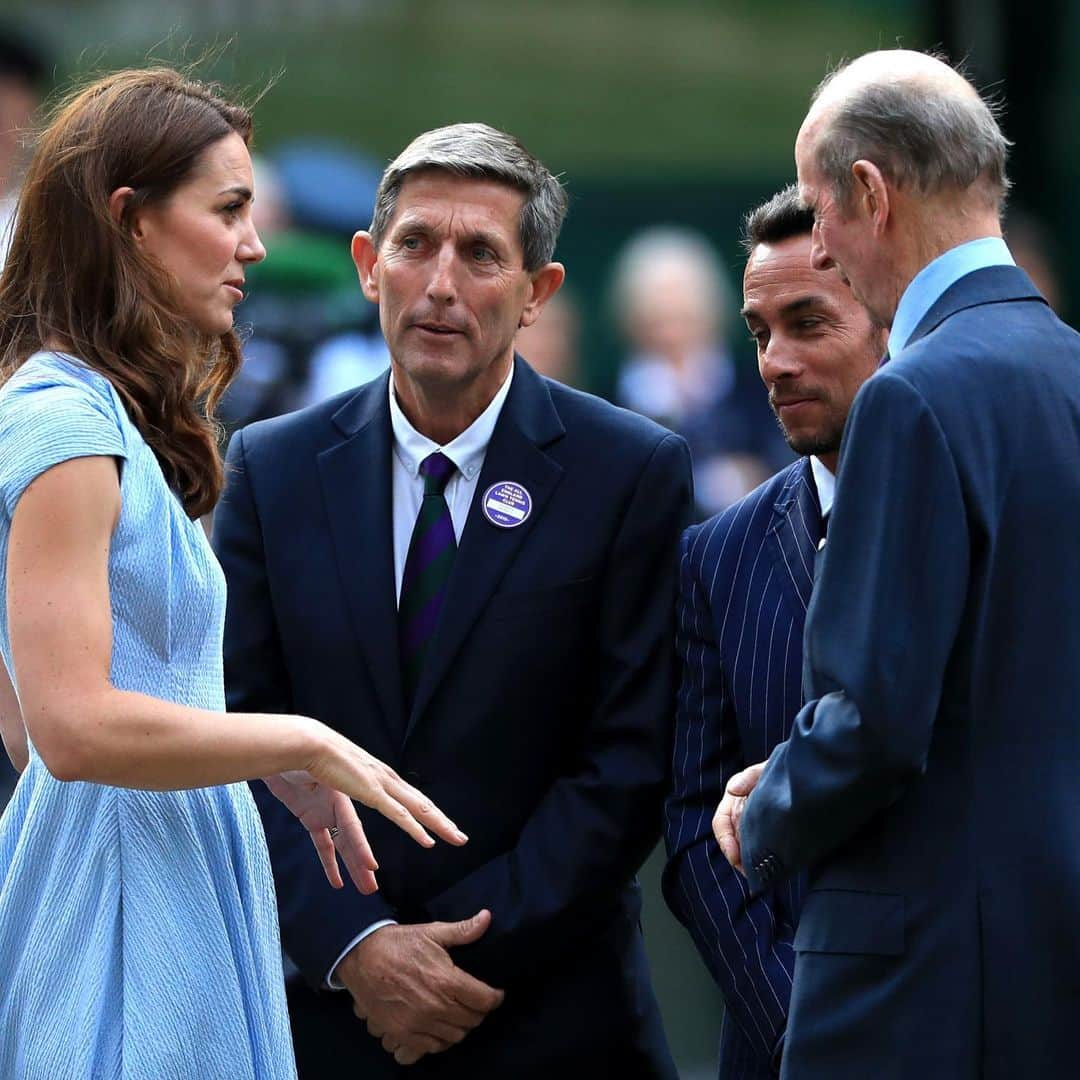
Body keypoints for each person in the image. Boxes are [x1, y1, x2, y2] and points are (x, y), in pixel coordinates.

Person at [0, 68, 465, 1079]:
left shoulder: (93, 418)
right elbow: (64, 730)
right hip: (118, 900)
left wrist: (247, 757)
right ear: (128, 222)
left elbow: (34, 717)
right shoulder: (62, 423)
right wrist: (292, 736)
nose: (255, 244)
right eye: (228, 210)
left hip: (161, 871)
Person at [214, 121, 692, 1078]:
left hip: (551, 1017)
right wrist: (359, 948)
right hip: (328, 1017)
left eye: (481, 254)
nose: (440, 284)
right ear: (366, 264)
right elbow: (234, 732)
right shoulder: (273, 466)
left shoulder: (628, 471)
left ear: (536, 294)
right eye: (415, 244)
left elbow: (631, 759)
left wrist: (453, 950)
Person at [714, 50, 1080, 1078]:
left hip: (920, 989)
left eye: (821, 217)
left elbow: (874, 720)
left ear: (869, 194)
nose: (821, 249)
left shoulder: (911, 398)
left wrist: (769, 800)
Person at [663, 185, 884, 1078]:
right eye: (759, 332)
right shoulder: (718, 555)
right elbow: (690, 822)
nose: (775, 362)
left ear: (887, 323)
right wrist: (798, 1018)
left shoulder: (977, 516)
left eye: (807, 323)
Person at [610, 225, 790, 517]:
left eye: (684, 312)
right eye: (659, 315)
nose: (672, 327)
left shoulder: (762, 389)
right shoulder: (610, 405)